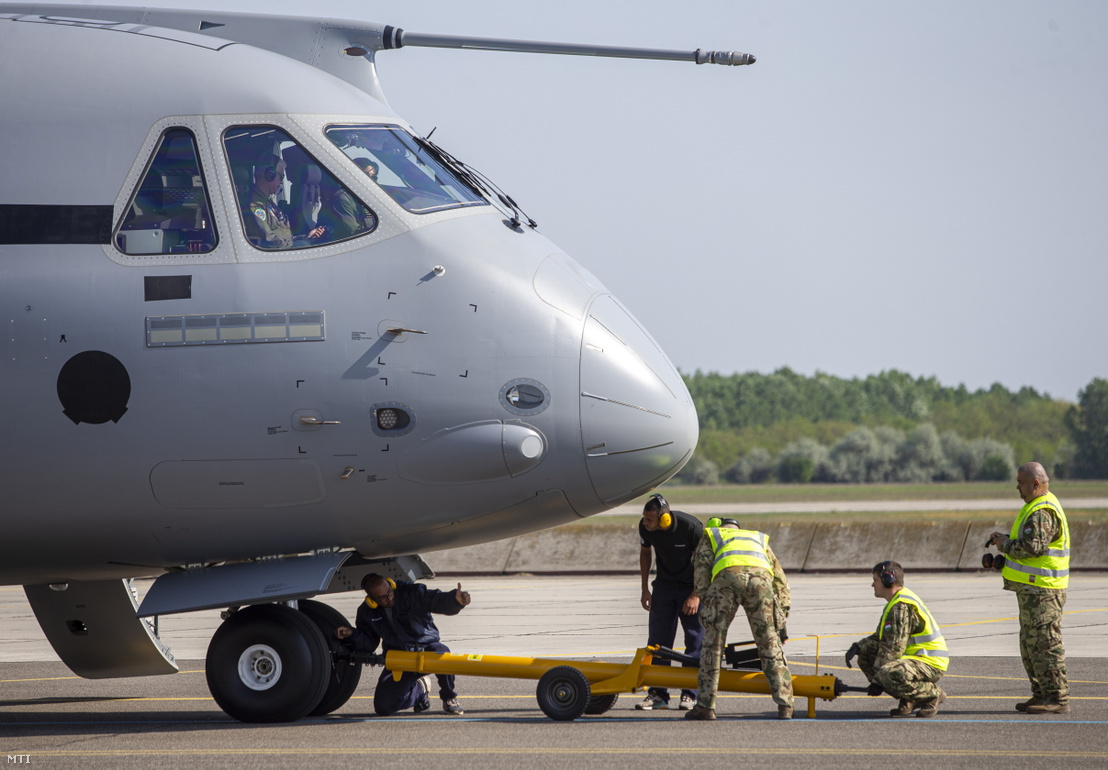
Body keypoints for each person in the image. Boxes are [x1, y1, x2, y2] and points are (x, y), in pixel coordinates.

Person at [686, 517, 793, 721]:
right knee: (770, 644)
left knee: (713, 645)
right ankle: (785, 705)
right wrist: (781, 614)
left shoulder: (713, 535)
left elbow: (701, 569)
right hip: (761, 582)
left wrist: (707, 601)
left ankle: (706, 706)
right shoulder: (757, 538)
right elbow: (780, 578)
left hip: (727, 580)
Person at [985, 461, 1071, 714]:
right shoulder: (1036, 507)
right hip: (1033, 592)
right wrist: (1007, 549)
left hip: (1043, 591)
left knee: (1045, 643)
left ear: (1035, 483)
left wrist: (1005, 545)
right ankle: (1041, 693)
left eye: (1021, 482)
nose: (1017, 487)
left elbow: (1032, 548)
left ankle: (1056, 698)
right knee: (1030, 644)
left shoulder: (1042, 511)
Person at [335, 574, 470, 716]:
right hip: (399, 657)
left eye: (389, 592)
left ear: (391, 585)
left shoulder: (411, 592)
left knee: (442, 652)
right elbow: (368, 643)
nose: (389, 597)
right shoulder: (366, 612)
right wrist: (351, 635)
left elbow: (435, 600)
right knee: (384, 708)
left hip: (425, 646)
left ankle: (449, 697)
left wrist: (455, 601)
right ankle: (419, 690)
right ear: (371, 600)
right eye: (382, 597)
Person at [845, 561, 949, 718]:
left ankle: (932, 694)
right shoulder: (894, 603)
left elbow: (894, 648)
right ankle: (910, 699)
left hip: (930, 661)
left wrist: (878, 682)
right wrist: (859, 647)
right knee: (866, 658)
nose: (872, 585)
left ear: (888, 580)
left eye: (875, 580)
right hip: (915, 659)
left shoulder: (901, 606)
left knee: (887, 673)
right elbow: (882, 638)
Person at [635, 493, 703, 710]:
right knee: (657, 640)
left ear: (664, 518)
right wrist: (645, 589)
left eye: (649, 519)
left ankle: (690, 694)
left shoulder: (690, 526)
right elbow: (646, 554)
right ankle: (658, 694)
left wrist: (696, 595)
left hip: (690, 586)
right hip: (664, 586)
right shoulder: (645, 528)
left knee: (694, 640)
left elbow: (706, 561)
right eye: (644, 518)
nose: (645, 523)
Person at [244, 154, 323, 249]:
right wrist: (301, 242)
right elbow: (269, 241)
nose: (281, 182)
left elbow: (283, 235)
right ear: (270, 175)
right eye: (281, 177)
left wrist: (306, 237)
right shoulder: (255, 205)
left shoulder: (268, 203)